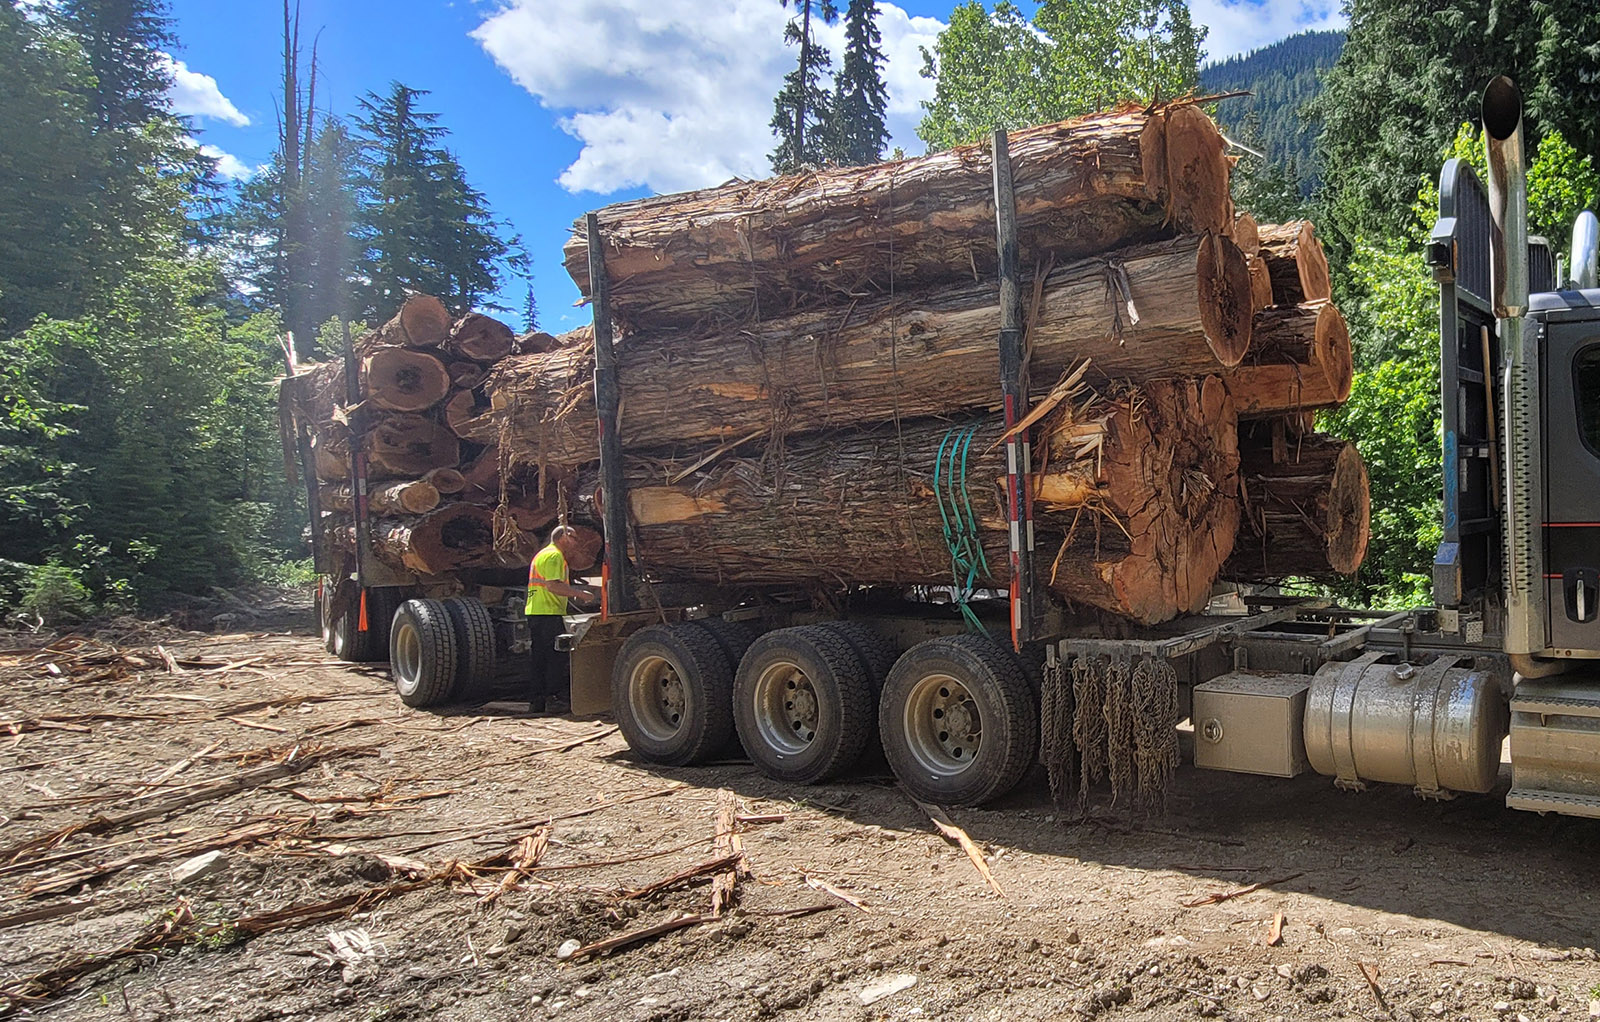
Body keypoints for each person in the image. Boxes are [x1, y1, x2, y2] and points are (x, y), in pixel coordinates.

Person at [525, 525, 600, 713]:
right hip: (549, 612)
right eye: (574, 538)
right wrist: (582, 595)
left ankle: (537, 701)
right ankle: (555, 699)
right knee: (555, 658)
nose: (576, 543)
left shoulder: (542, 554)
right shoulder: (554, 556)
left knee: (539, 658)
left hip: (537, 611)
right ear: (564, 537)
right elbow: (553, 586)